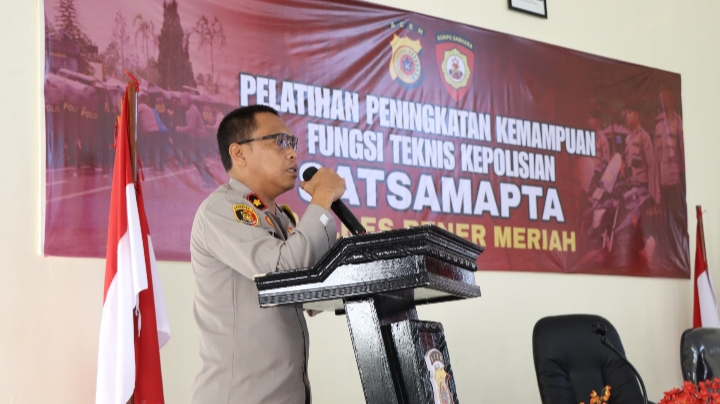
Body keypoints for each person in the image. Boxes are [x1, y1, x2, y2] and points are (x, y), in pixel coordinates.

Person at [189, 105, 346, 404]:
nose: (292, 153)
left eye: (292, 142)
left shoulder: (279, 218)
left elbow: (312, 292)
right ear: (239, 153)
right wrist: (323, 197)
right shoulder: (222, 210)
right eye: (279, 141)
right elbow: (284, 272)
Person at [176, 92, 215, 186]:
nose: (181, 102)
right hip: (200, 138)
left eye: (182, 100)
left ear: (185, 101)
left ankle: (209, 180)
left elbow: (191, 127)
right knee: (199, 159)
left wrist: (179, 129)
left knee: (199, 160)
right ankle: (207, 179)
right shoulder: (193, 108)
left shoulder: (191, 111)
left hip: (200, 138)